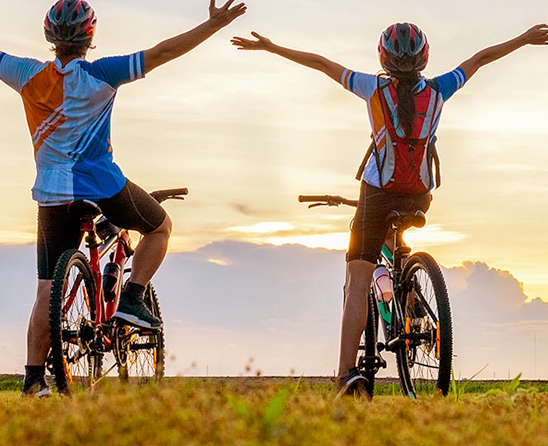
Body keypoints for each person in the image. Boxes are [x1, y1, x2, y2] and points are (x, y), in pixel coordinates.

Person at [0, 0, 246, 395]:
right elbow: (164, 52)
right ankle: (132, 299)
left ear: (49, 36)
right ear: (89, 37)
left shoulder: (25, 73)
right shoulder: (103, 74)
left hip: (51, 194)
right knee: (160, 227)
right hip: (102, 186)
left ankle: (33, 380)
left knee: (47, 290)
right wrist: (213, 25)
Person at [231, 21, 548, 397]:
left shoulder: (372, 88)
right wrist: (524, 39)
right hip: (419, 195)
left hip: (378, 194)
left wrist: (272, 47)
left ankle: (345, 374)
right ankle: (411, 301)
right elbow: (479, 59)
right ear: (424, 58)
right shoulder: (439, 89)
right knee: (395, 243)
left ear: (383, 58)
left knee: (358, 278)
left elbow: (321, 63)